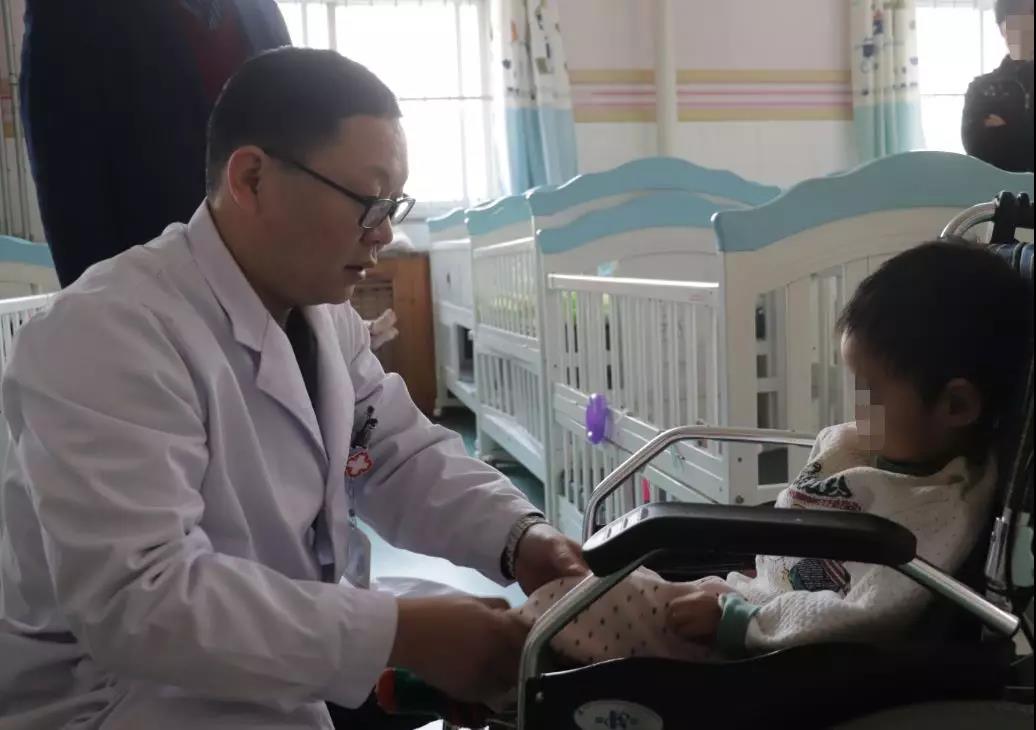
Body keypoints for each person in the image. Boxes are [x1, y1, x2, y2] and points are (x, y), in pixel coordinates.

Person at [0, 48, 587, 730]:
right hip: (118, 697)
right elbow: (140, 601)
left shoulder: (322, 315)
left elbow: (396, 454)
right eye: (369, 201)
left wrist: (522, 537)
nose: (385, 232)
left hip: (276, 636)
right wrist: (399, 634)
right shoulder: (109, 333)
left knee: (506, 649)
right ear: (252, 179)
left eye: (393, 204)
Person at [515, 241, 1031, 665]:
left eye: (871, 391)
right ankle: (510, 638)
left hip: (764, 650)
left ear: (956, 405)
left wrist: (741, 623)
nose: (854, 409)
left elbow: (865, 616)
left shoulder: (936, 511)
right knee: (586, 585)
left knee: (562, 622)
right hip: (747, 597)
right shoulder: (873, 448)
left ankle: (504, 653)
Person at [19, 0, 291, 287]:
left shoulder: (259, 9)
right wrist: (103, 304)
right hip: (155, 287)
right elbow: (70, 193)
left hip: (272, 283)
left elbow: (297, 136)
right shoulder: (70, 12)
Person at [961, 0, 1034, 172]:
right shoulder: (981, 89)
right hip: (999, 188)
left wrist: (1007, 130)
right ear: (1003, 29)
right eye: (1022, 17)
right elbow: (977, 150)